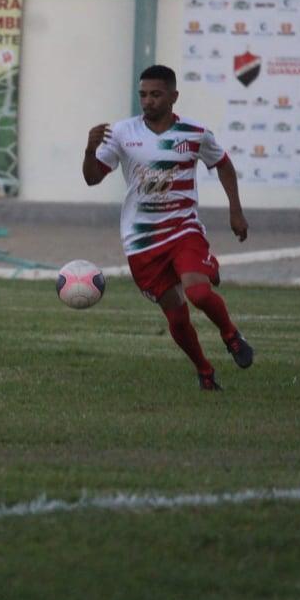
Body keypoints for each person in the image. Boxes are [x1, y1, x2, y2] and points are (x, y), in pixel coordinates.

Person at [82, 64, 253, 392]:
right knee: (176, 316)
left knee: (199, 292)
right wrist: (90, 149)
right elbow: (92, 178)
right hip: (141, 240)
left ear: (173, 96)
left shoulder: (194, 133)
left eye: (156, 94)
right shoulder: (121, 133)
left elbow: (223, 165)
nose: (148, 101)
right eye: (143, 94)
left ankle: (231, 335)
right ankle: (204, 370)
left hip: (182, 228)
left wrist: (236, 212)